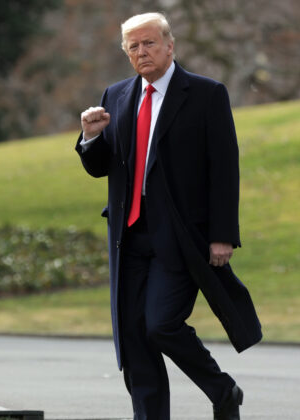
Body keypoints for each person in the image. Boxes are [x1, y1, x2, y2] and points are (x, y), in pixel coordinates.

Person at [75, 12, 261, 420]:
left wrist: (222, 235)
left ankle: (221, 389)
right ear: (126, 52)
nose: (141, 52)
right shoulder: (116, 95)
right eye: (133, 46)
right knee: (135, 339)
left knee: (160, 325)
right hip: (129, 238)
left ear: (170, 45)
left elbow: (224, 169)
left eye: (149, 43)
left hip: (180, 238)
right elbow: (102, 166)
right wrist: (90, 137)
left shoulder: (206, 94)